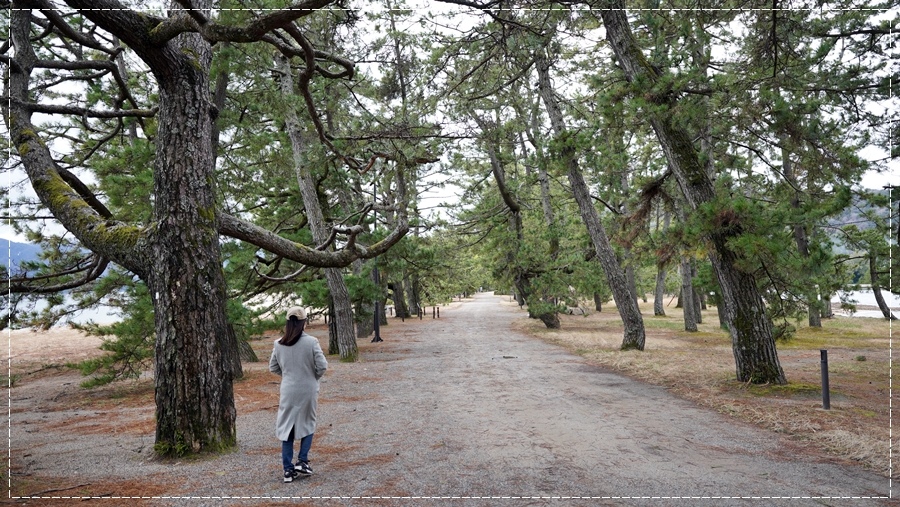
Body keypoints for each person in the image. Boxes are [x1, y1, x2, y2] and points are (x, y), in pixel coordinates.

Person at [269, 306, 328, 483]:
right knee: (308, 422)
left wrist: (288, 376)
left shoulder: (279, 343)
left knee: (287, 427)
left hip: (288, 388)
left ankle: (287, 470)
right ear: (304, 322)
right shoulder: (311, 342)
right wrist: (311, 377)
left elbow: (273, 367)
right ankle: (302, 460)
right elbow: (322, 366)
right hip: (308, 388)